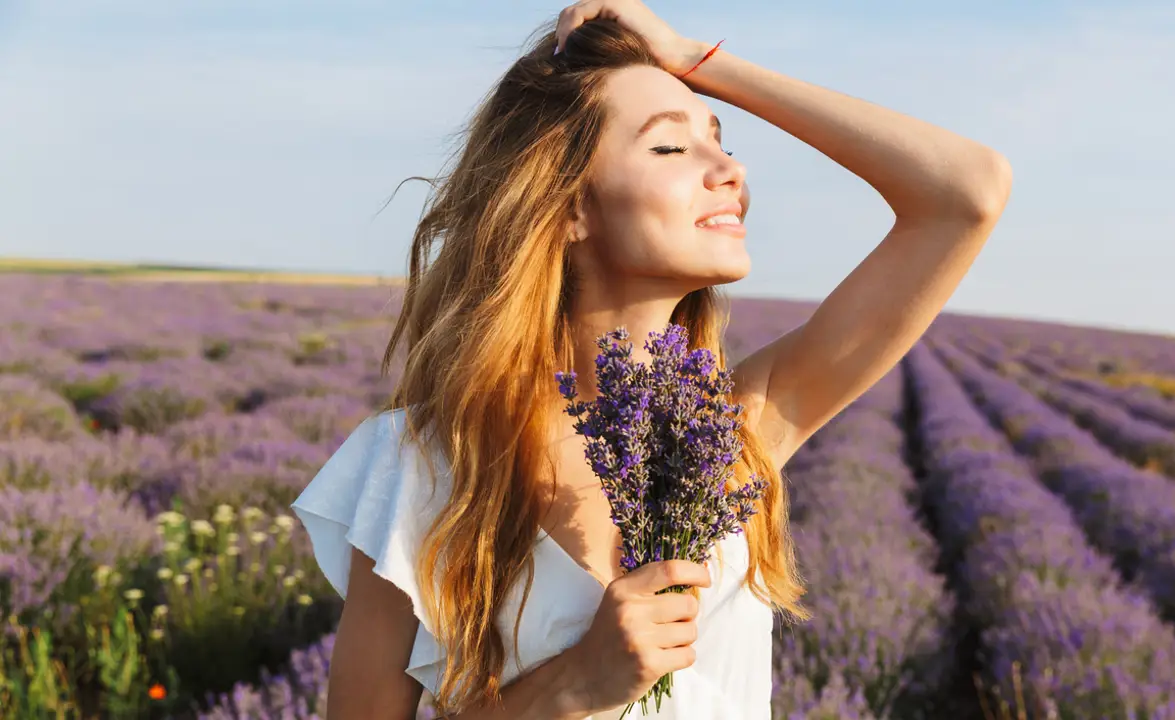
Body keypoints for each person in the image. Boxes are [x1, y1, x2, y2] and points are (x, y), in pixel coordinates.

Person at [290, 1, 1011, 718]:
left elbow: (965, 193)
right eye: (671, 148)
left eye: (720, 139)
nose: (727, 167)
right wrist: (576, 684)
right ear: (571, 206)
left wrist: (696, 60)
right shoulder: (426, 466)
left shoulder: (736, 434)